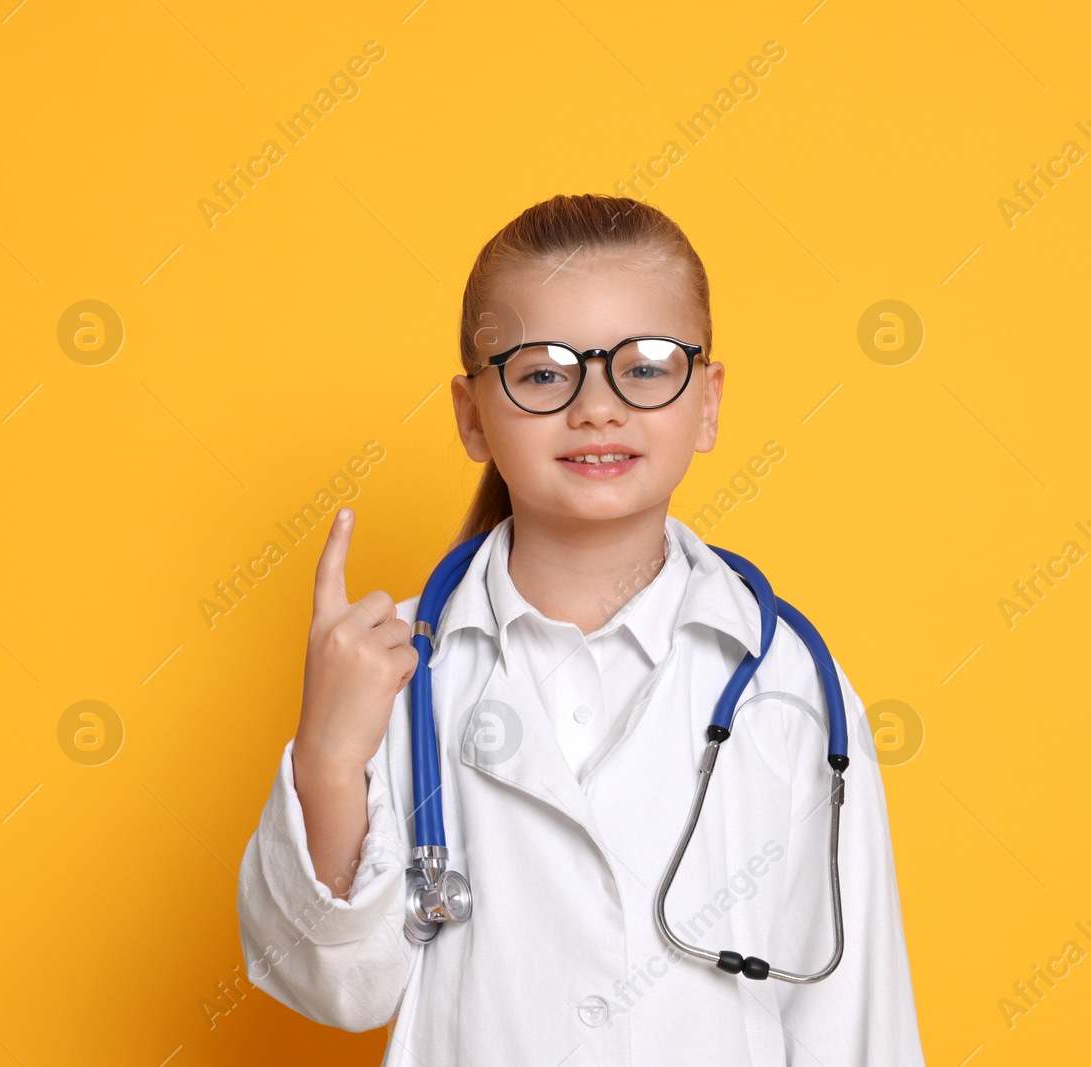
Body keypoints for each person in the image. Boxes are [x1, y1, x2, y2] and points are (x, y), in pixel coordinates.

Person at [235, 193, 924, 1065]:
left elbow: (859, 1024)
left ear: (708, 402)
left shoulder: (788, 684)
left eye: (645, 366)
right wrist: (328, 756)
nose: (597, 406)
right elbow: (333, 988)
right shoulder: (397, 672)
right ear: (473, 414)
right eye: (544, 371)